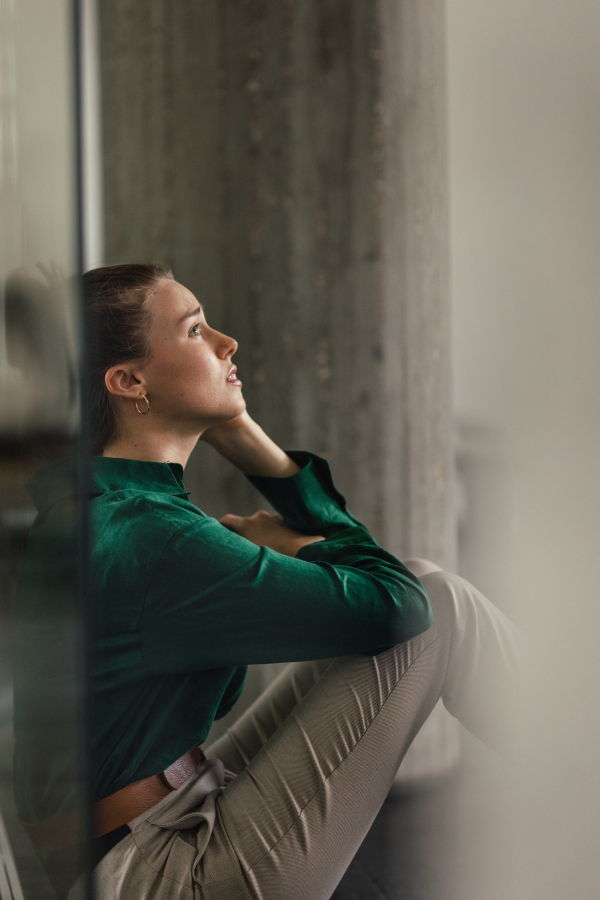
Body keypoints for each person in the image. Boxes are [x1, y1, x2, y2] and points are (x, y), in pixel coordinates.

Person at [15, 264, 522, 900]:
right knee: (434, 606)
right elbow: (397, 610)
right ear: (128, 381)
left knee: (426, 585)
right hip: (158, 873)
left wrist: (245, 438)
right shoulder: (150, 537)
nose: (227, 343)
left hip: (163, 816)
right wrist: (295, 542)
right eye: (196, 330)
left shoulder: (107, 508)